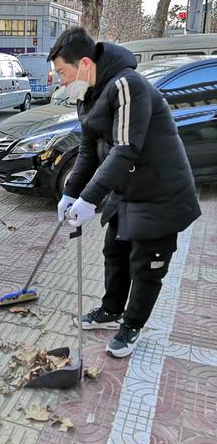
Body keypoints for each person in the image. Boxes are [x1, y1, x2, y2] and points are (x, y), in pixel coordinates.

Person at [50, 27, 201, 358]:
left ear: (85, 63)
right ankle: (111, 309)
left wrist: (90, 199)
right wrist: (71, 192)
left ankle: (131, 326)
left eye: (62, 72)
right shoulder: (88, 94)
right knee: (114, 252)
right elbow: (89, 149)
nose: (60, 81)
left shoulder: (127, 85)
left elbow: (126, 149)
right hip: (127, 189)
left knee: (147, 265)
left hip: (160, 192)